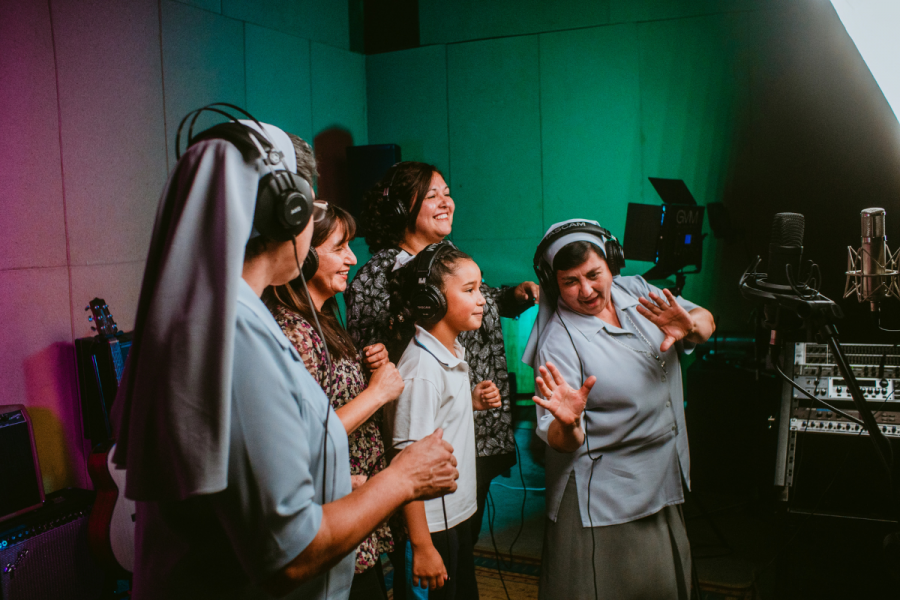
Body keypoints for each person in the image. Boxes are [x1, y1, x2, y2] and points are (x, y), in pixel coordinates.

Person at [110, 111, 459, 600]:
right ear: (287, 212)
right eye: (309, 205)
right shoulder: (234, 336)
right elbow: (290, 555)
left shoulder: (211, 317)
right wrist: (403, 479)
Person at [345, 161, 538, 542]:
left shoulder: (448, 256)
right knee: (429, 551)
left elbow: (471, 303)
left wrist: (510, 297)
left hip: (478, 427)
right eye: (432, 195)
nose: (446, 201)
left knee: (461, 548)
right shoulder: (377, 274)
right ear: (402, 208)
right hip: (430, 433)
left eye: (447, 193)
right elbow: (366, 354)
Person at [523, 219, 715, 600]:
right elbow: (560, 440)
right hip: (605, 496)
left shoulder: (637, 290)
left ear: (612, 263)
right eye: (570, 282)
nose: (587, 290)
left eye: (594, 274)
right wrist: (570, 423)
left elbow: (707, 320)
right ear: (553, 284)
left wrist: (689, 325)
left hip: (661, 473)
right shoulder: (559, 341)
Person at [266, 197, 402, 599]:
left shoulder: (322, 317)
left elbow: (329, 395)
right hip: (331, 505)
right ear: (304, 257)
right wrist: (377, 395)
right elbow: (305, 435)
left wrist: (366, 365)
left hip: (352, 498)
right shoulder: (293, 332)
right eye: (339, 248)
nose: (352, 258)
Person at [384, 242, 502, 600]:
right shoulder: (422, 369)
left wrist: (469, 402)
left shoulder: (449, 352)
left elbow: (433, 420)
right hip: (430, 528)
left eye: (480, 287)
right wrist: (421, 547)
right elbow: (407, 462)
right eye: (469, 290)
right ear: (429, 300)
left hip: (456, 516)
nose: (482, 299)